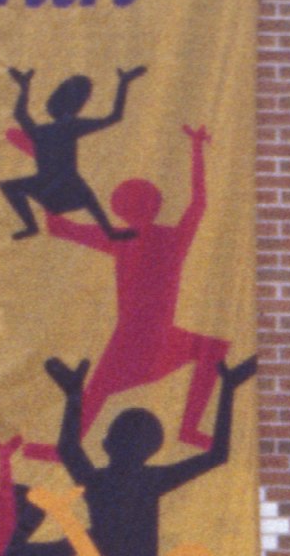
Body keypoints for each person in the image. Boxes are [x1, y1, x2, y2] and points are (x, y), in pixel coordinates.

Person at [44, 123, 234, 442]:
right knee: (98, 391)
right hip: (145, 334)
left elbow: (58, 227)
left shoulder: (128, 238)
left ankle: (187, 429)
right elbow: (198, 203)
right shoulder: (164, 238)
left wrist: (51, 178)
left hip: (145, 334)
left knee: (97, 392)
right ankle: (188, 429)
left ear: (119, 209)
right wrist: (196, 149)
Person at [46, 351, 255, 556]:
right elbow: (217, 455)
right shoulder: (140, 480)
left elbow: (69, 448)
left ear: (109, 443)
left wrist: (74, 396)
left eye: (115, 434)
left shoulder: (108, 481)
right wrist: (228, 390)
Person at [0, 67, 145, 241]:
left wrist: (24, 87)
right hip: (60, 186)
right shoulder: (61, 127)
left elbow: (20, 114)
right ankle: (108, 231)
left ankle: (31, 225)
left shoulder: (47, 130)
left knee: (13, 187)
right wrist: (123, 83)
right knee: (87, 198)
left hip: (56, 186)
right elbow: (114, 117)